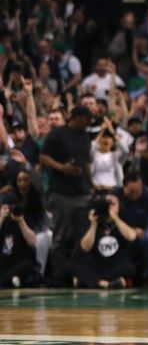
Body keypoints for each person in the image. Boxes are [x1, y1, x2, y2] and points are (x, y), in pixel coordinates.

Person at [40, 105, 93, 282]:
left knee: (83, 236)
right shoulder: (57, 134)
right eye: (85, 120)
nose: (87, 124)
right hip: (62, 193)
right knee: (60, 236)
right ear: (75, 117)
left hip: (83, 192)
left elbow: (86, 163)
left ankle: (78, 273)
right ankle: (58, 274)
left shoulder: (85, 137)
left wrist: (92, 184)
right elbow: (43, 157)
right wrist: (62, 167)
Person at [65, 193, 137, 289]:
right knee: (69, 266)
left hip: (114, 265)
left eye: (112, 204)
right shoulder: (90, 221)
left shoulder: (122, 221)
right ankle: (105, 284)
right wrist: (94, 224)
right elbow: (85, 247)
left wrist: (115, 217)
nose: (108, 206)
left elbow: (132, 237)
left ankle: (88, 281)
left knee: (130, 268)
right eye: (106, 203)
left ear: (119, 207)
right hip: (95, 265)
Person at [118, 172, 148, 286]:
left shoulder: (147, 193)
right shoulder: (116, 195)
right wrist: (131, 230)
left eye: (138, 191)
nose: (135, 194)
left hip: (143, 231)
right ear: (124, 187)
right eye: (131, 191)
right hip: (120, 232)